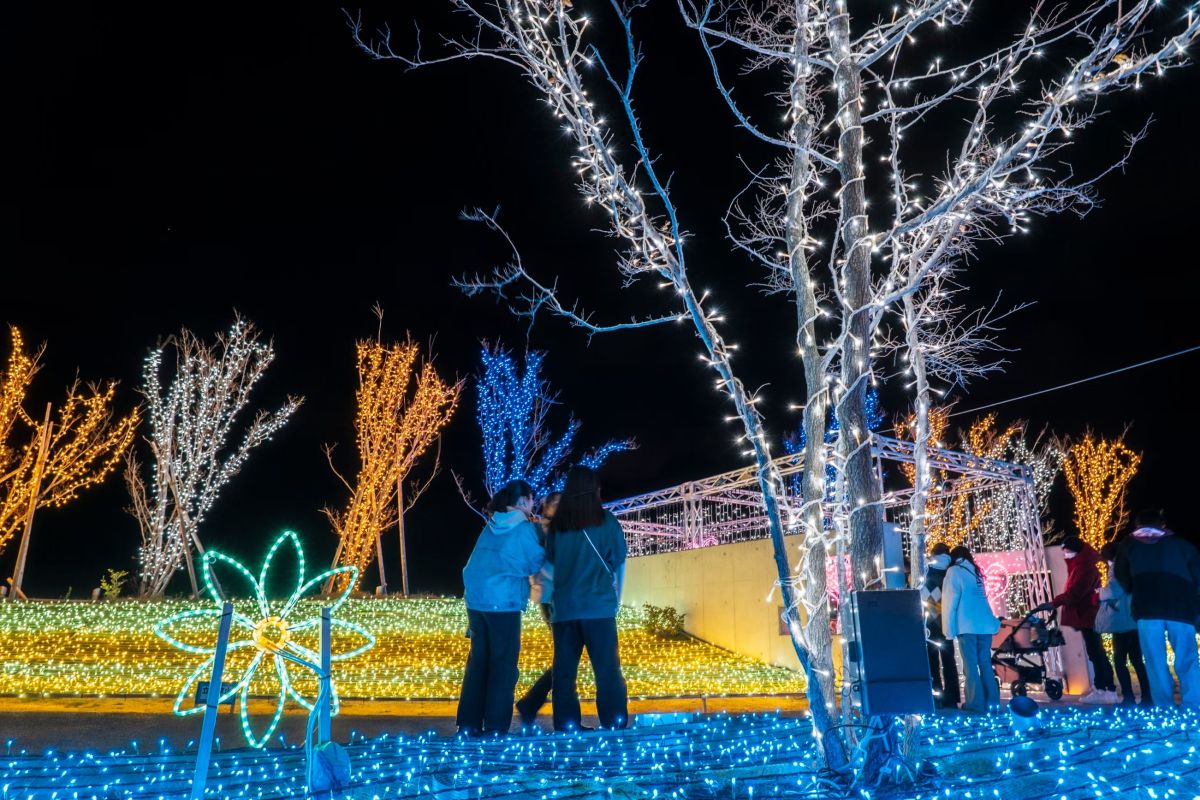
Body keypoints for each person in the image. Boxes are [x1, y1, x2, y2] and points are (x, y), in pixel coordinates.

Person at [457, 479, 545, 737]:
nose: (533, 504)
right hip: (503, 603)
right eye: (531, 499)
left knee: (478, 663)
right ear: (522, 501)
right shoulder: (523, 529)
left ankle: (468, 724)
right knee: (503, 665)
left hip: (476, 602)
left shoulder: (491, 525)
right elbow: (534, 563)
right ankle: (495, 726)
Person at [546, 466, 629, 731]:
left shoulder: (558, 525)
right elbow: (619, 561)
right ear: (595, 490)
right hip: (599, 607)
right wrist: (619, 595)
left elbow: (550, 563)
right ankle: (614, 723)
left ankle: (567, 724)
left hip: (566, 608)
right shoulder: (606, 521)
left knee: (564, 672)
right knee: (607, 670)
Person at [1115, 509, 1200, 708]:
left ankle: (1164, 706)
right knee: (1187, 657)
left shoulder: (1128, 546)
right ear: (1162, 525)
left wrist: (1134, 589)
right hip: (1181, 608)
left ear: (1137, 526)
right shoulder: (1182, 546)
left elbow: (1121, 574)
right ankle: (1193, 704)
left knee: (1155, 660)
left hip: (1147, 608)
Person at [1037, 536, 1117, 704]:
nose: (1065, 555)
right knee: (1096, 652)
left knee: (1096, 652)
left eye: (1067, 551)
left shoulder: (1085, 567)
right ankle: (1105, 687)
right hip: (1085, 614)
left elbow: (1076, 592)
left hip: (1087, 614)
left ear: (1075, 550)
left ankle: (1104, 688)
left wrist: (1054, 603)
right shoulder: (1080, 565)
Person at [516, 491, 560, 727]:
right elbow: (537, 562)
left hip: (553, 597)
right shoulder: (542, 530)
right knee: (564, 657)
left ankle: (533, 703)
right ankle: (531, 702)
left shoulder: (551, 529)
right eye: (554, 503)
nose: (559, 507)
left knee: (565, 657)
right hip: (551, 598)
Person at [942, 544, 1000, 713]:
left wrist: (949, 630)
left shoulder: (954, 572)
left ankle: (975, 704)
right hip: (985, 626)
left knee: (970, 665)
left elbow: (950, 603)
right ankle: (992, 703)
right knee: (985, 663)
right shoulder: (976, 573)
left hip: (966, 625)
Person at [1098, 541, 1151, 706]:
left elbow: (1114, 590)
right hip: (1135, 618)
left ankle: (1128, 697)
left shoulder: (1116, 568)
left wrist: (1099, 593)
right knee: (1137, 659)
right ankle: (1147, 697)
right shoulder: (1134, 565)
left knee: (1119, 661)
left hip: (1122, 620)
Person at [922, 543, 961, 709]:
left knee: (932, 662)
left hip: (929, 622)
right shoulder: (951, 571)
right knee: (949, 661)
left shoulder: (925, 571)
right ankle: (952, 697)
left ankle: (936, 696)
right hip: (946, 622)